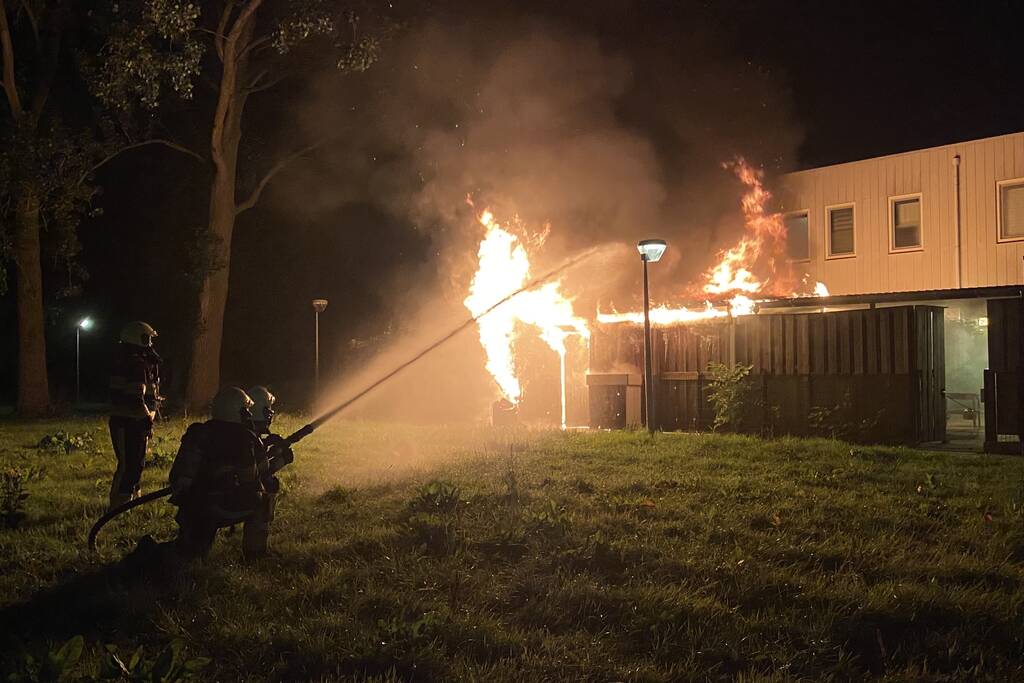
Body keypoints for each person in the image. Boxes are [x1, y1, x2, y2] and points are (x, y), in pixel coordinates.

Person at [168, 387, 292, 560]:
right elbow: (255, 482)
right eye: (246, 411)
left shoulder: (199, 432)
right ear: (239, 412)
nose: (248, 415)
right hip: (218, 508)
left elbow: (178, 477)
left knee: (188, 555)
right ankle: (256, 554)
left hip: (190, 509)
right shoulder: (243, 438)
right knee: (264, 498)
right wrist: (281, 460)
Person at [108, 321, 162, 511]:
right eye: (148, 338)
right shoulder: (135, 364)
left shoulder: (128, 360)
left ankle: (130, 501)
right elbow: (135, 397)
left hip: (132, 420)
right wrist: (147, 418)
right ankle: (119, 506)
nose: (150, 343)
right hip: (130, 422)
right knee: (129, 464)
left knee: (136, 462)